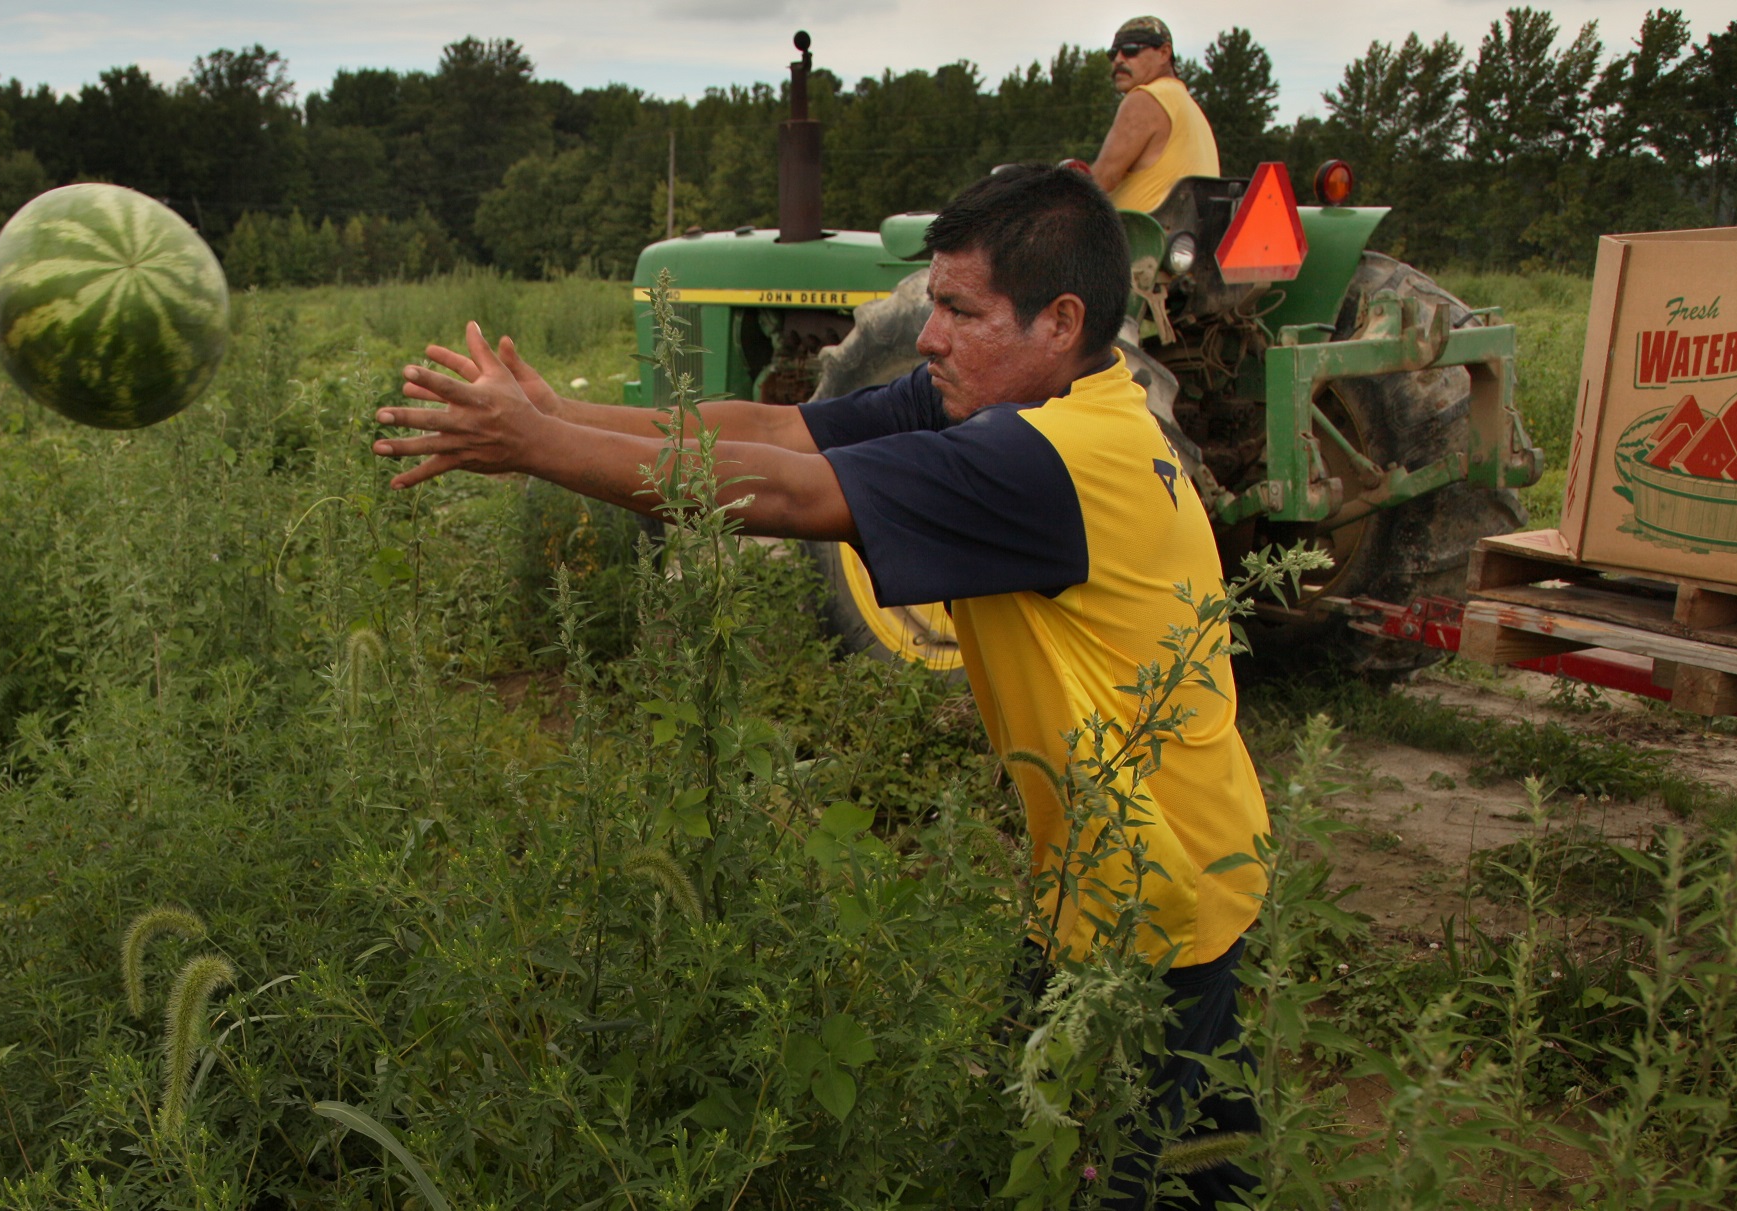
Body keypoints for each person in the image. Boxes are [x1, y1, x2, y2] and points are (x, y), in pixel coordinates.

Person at [370, 165, 1266, 1208]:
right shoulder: (1030, 398)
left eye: (961, 311)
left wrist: (536, 448)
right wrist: (558, 411)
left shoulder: (1050, 458)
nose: (929, 337)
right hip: (1133, 864)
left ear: (1058, 319)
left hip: (1151, 896)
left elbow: (788, 493)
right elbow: (782, 429)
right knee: (1103, 1150)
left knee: (1140, 1174)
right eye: (931, 305)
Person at [1092, 16, 1220, 213]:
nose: (1118, 60)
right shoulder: (1190, 107)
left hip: (1142, 239)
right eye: (1112, 54)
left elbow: (1100, 181)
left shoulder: (1146, 98)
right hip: (1186, 239)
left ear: (1164, 53)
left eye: (1130, 50)